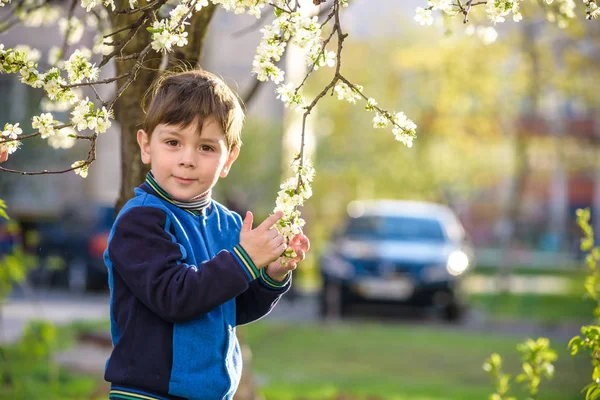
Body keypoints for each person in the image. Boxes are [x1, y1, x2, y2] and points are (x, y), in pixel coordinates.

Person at [104, 69, 310, 400]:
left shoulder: (230, 225)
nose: (187, 160)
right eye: (173, 142)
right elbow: (174, 297)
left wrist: (270, 275)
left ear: (228, 158)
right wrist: (245, 258)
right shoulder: (141, 221)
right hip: (147, 394)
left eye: (206, 148)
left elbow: (228, 308)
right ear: (146, 146)